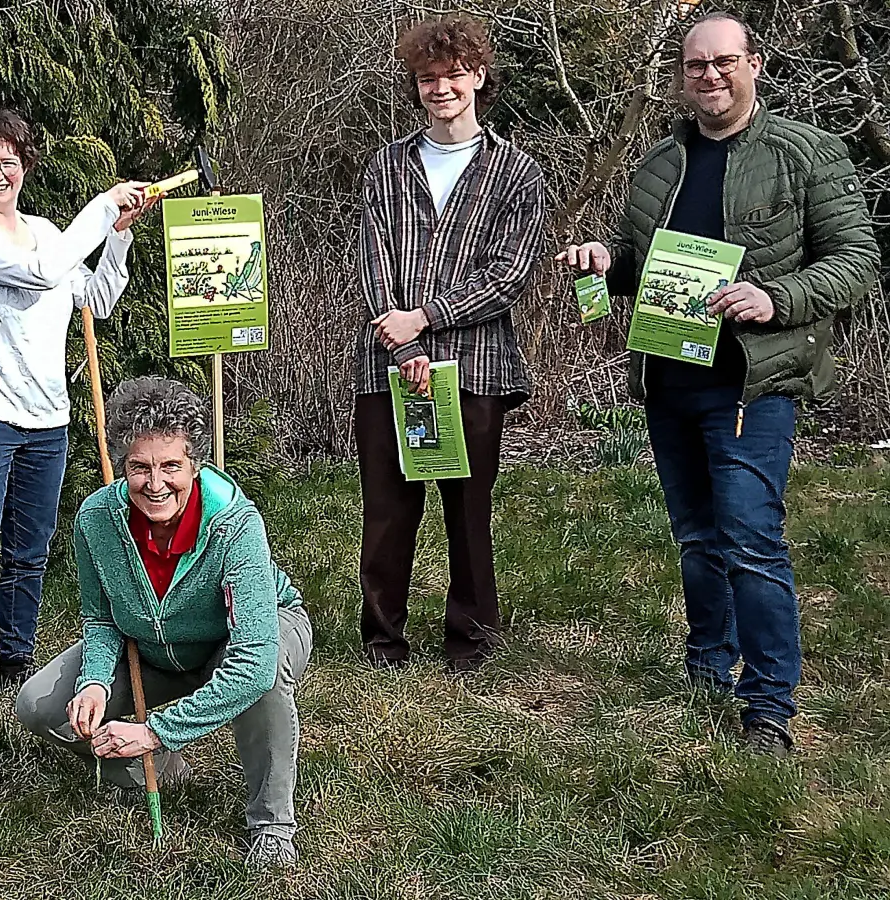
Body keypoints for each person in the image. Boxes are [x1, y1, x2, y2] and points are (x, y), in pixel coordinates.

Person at [558, 12, 879, 756]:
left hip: (750, 386)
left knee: (750, 542)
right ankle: (707, 669)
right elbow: (638, 262)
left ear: (754, 65)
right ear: (682, 74)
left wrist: (775, 298)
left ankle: (768, 707)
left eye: (724, 62)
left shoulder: (805, 152)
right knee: (698, 539)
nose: (710, 76)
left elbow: (857, 260)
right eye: (696, 65)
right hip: (669, 379)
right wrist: (604, 260)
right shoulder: (660, 163)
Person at [15, 377, 312, 869]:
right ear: (123, 466)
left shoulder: (235, 523)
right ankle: (163, 771)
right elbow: (101, 617)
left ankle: (272, 825)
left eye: (171, 465)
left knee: (265, 679)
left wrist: (154, 730)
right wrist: (93, 682)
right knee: (37, 706)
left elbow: (254, 662)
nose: (155, 484)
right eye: (140, 467)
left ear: (195, 464)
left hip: (243, 637)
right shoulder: (96, 520)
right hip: (155, 648)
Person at [0, 109, 155, 711]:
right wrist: (102, 206)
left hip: (46, 420)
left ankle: (15, 667)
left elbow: (96, 298)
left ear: (25, 167)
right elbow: (40, 273)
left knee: (29, 553)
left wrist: (119, 233)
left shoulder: (50, 232)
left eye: (8, 162)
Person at [355, 14, 547, 672]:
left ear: (479, 76)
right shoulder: (387, 166)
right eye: (428, 78)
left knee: (468, 513)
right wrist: (401, 341)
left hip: (476, 368)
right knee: (387, 511)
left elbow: (509, 274)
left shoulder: (516, 173)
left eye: (454, 75)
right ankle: (383, 641)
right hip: (386, 365)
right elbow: (372, 260)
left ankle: (472, 642)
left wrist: (427, 318)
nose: (441, 88)